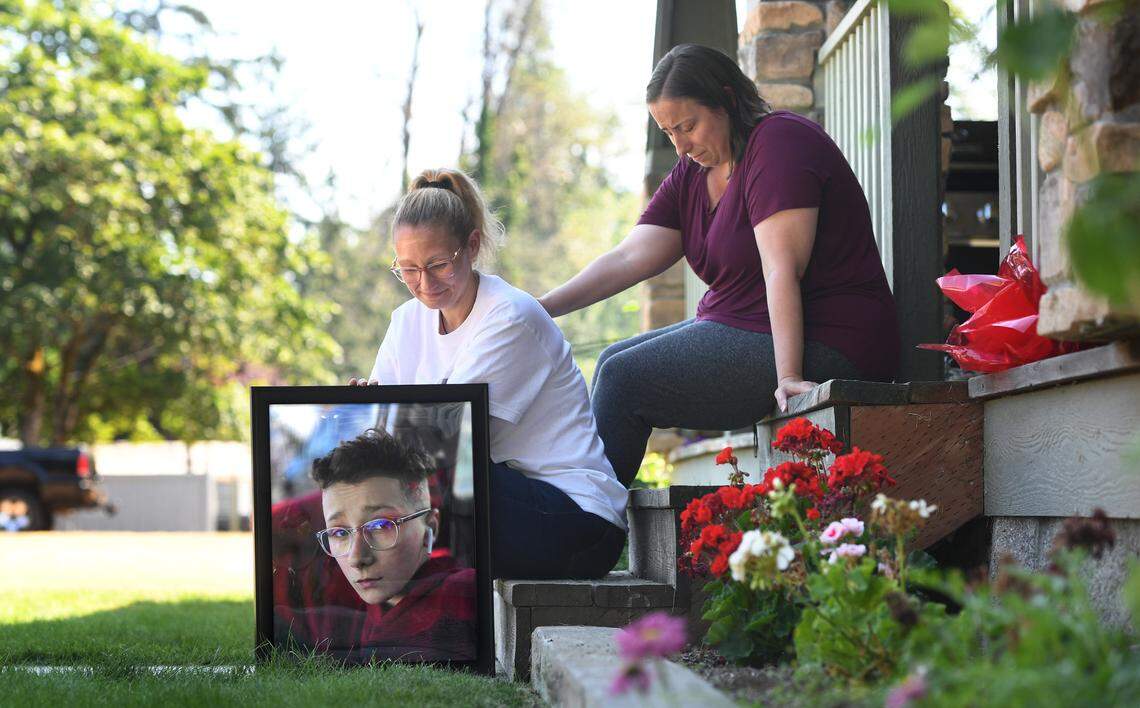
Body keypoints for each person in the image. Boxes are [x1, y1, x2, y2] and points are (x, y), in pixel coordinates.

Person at [538, 44, 901, 487]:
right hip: (744, 327)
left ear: (727, 99)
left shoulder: (779, 143)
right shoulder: (692, 173)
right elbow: (629, 256)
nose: (681, 144)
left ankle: (584, 533)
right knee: (613, 359)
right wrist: (542, 307)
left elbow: (781, 268)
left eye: (688, 126)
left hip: (828, 337)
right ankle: (585, 516)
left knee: (622, 378)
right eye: (668, 131)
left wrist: (789, 375)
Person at [349, 168, 627, 580]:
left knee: (425, 485)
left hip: (577, 521)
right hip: (493, 494)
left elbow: (448, 446)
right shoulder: (406, 321)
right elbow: (386, 436)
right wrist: (363, 409)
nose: (424, 284)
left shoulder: (510, 316)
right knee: (363, 494)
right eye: (407, 270)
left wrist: (384, 424)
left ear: (472, 245)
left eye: (438, 264)